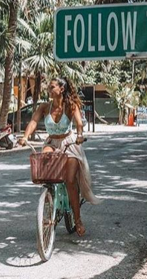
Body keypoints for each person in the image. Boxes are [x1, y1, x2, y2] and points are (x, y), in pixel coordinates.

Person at [18, 77, 101, 237]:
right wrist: (25, 137)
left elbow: (79, 124)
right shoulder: (44, 107)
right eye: (49, 87)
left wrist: (80, 135)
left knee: (70, 181)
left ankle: (78, 220)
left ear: (61, 89)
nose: (49, 89)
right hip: (52, 142)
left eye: (52, 87)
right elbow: (34, 122)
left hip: (70, 143)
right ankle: (50, 198)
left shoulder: (70, 105)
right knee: (45, 166)